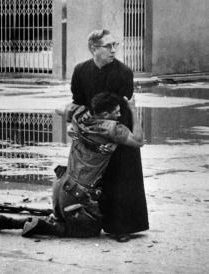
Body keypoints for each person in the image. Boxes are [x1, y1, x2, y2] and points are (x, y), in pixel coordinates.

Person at [0, 92, 144, 239]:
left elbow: (58, 109)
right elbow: (138, 141)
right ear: (104, 115)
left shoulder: (79, 113)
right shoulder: (112, 128)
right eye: (116, 112)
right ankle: (42, 226)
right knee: (89, 229)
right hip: (78, 194)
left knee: (60, 218)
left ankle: (8, 222)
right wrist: (133, 109)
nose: (119, 115)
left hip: (60, 184)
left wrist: (72, 124)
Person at [70, 29, 149, 241]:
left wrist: (114, 140)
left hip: (119, 130)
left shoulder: (124, 73)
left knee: (121, 176)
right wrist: (74, 125)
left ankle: (122, 227)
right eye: (108, 46)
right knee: (89, 179)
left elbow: (123, 109)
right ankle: (91, 222)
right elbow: (78, 103)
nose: (114, 50)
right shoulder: (80, 71)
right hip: (92, 133)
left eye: (115, 45)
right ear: (94, 49)